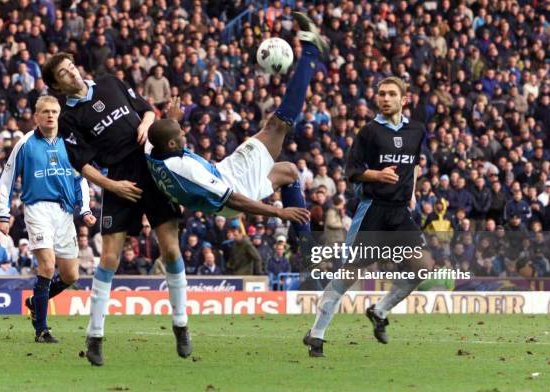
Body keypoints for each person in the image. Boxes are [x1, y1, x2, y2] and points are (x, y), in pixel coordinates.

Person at [41, 53, 191, 365]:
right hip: (119, 178)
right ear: (57, 85)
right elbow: (81, 164)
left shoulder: (110, 82)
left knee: (172, 251)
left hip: (151, 166)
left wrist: (149, 121)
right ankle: (95, 335)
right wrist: (113, 186)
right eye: (64, 74)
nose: (72, 73)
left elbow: (146, 110)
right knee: (109, 257)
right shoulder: (69, 118)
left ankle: (180, 325)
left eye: (71, 67)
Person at [146, 13, 327, 232]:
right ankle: (311, 50)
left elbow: (161, 135)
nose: (184, 134)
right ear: (172, 145)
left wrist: (172, 120)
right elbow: (233, 200)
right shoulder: (185, 169)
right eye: (180, 135)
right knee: (277, 126)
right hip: (234, 187)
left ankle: (306, 251)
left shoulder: (152, 149)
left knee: (288, 171)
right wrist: (279, 212)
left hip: (224, 181)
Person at [303, 76, 433, 356]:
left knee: (422, 266)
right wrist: (377, 174)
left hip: (399, 214)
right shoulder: (369, 132)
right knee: (349, 274)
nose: (385, 98)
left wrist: (411, 191)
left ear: (404, 100)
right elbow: (351, 170)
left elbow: (413, 165)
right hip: (373, 210)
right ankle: (316, 334)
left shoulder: (417, 130)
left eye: (391, 94)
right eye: (381, 94)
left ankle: (380, 311)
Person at [0, 95, 96, 343]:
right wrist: (3, 214)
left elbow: (79, 179)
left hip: (64, 212)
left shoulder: (70, 142)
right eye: (45, 112)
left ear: (59, 114)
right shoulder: (25, 143)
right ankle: (42, 329)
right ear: (36, 116)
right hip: (37, 208)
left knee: (71, 275)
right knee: (47, 266)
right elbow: (7, 179)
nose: (50, 115)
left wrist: (84, 209)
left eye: (54, 111)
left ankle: (34, 302)